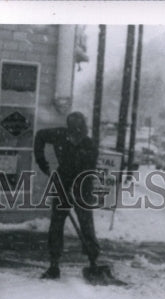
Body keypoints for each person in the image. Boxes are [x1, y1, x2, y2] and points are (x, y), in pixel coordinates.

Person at [33, 111, 117, 284]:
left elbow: (87, 172)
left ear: (83, 130)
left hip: (83, 184)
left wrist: (74, 191)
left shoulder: (89, 145)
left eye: (77, 133)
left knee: (86, 222)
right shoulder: (59, 135)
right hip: (63, 180)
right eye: (71, 132)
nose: (73, 137)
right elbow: (40, 136)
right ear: (68, 129)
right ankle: (54, 264)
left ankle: (93, 260)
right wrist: (42, 162)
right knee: (56, 224)